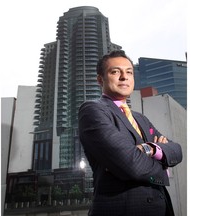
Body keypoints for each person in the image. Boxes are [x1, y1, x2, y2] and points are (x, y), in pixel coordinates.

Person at [78, 50, 183, 216]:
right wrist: (163, 164)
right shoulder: (93, 111)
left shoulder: (141, 119)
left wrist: (151, 149)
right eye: (115, 71)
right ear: (100, 79)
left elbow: (177, 150)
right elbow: (131, 164)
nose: (124, 77)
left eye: (129, 72)